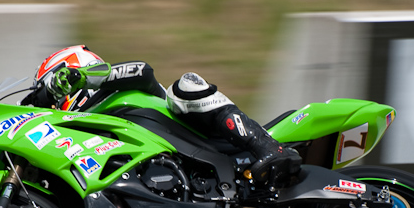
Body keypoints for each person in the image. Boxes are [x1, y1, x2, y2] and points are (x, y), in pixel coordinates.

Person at [26, 45, 301, 182]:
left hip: (211, 144)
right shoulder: (85, 131)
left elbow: (143, 69)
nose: (53, 102)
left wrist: (82, 77)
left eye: (54, 89)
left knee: (185, 88)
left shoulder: (120, 89)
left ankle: (267, 146)